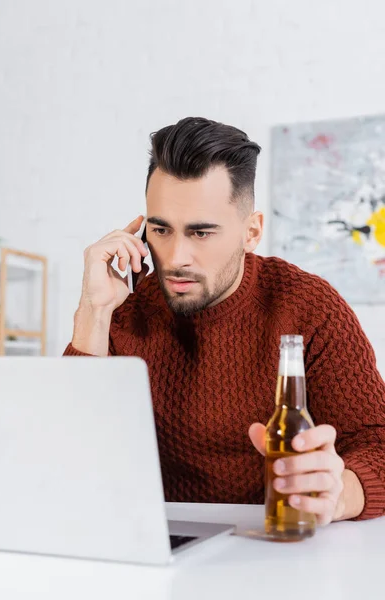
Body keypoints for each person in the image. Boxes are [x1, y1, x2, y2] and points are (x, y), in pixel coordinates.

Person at [64, 116, 385, 524]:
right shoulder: (124, 307)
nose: (176, 257)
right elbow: (68, 454)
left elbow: (377, 444)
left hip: (276, 546)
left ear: (251, 232)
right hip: (154, 543)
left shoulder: (309, 307)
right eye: (161, 229)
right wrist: (94, 310)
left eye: (201, 233)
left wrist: (338, 496)